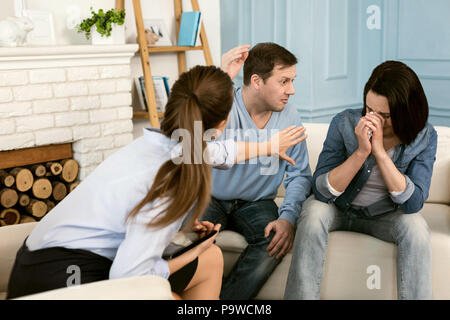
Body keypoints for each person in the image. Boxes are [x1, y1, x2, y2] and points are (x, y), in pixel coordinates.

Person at [6, 65, 307, 300]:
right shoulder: (170, 181)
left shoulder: (161, 142)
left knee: (212, 258)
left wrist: (267, 146)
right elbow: (130, 277)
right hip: (57, 276)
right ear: (223, 121)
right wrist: (191, 251)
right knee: (179, 281)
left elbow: (218, 151)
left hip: (66, 260)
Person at [285, 60, 437, 300]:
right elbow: (322, 191)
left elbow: (413, 203)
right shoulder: (344, 123)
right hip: (339, 209)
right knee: (313, 211)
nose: (374, 119)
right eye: (369, 110)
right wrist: (361, 153)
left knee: (416, 228)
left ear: (405, 112)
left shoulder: (424, 136)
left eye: (384, 115)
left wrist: (379, 153)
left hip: (385, 216)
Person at [201, 43, 312, 300]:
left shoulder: (289, 115)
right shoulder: (222, 104)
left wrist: (288, 218)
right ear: (257, 81)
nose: (291, 91)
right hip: (212, 197)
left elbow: (300, 174)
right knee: (191, 241)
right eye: (284, 81)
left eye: (292, 81)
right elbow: (192, 136)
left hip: (257, 203)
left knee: (274, 242)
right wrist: (219, 73)